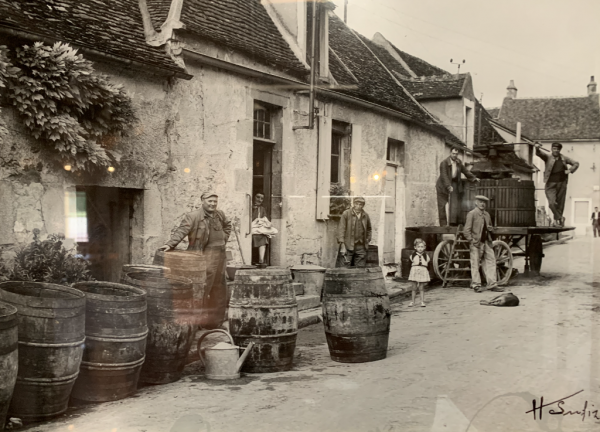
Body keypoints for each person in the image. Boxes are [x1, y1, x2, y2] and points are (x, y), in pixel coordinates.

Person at [158, 191, 232, 330]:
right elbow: (181, 231)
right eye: (210, 201)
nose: (213, 204)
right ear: (202, 201)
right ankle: (199, 322)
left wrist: (223, 238)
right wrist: (170, 244)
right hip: (202, 256)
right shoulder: (193, 216)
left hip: (220, 255)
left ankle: (216, 322)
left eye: (215, 201)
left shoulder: (220, 215)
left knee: (220, 288)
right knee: (202, 288)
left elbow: (228, 226)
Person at [535, 142, 579, 227]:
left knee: (560, 204)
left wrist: (569, 170)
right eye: (554, 149)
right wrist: (537, 148)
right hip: (550, 184)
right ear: (551, 149)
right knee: (551, 203)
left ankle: (556, 221)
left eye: (558, 149)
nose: (556, 151)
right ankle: (560, 218)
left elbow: (576, 163)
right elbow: (540, 154)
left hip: (562, 183)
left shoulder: (564, 158)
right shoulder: (548, 157)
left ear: (560, 150)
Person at [464, 195, 501, 293]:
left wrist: (490, 229)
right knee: (475, 263)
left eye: (484, 202)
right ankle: (476, 285)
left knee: (491, 262)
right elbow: (466, 230)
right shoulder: (471, 214)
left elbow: (489, 228)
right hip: (476, 243)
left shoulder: (487, 215)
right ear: (476, 202)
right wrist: (472, 241)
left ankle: (492, 284)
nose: (482, 204)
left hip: (486, 242)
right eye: (480, 201)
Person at [436, 147, 480, 226]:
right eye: (453, 153)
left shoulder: (458, 162)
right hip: (442, 186)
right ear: (450, 153)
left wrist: (473, 178)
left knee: (454, 204)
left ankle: (453, 224)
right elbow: (444, 176)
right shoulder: (444, 163)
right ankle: (443, 226)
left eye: (456, 154)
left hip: (453, 184)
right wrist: (448, 186)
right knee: (442, 206)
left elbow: (465, 171)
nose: (455, 155)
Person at [337, 196, 372, 268]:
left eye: (361, 204)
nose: (358, 206)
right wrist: (342, 246)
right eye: (356, 204)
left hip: (361, 246)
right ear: (353, 204)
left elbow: (369, 229)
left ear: (363, 206)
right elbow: (341, 230)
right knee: (344, 268)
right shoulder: (346, 214)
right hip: (348, 245)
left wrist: (367, 240)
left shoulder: (366, 215)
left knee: (360, 269)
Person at [251, 192, 274, 268]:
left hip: (258, 228)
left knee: (263, 237)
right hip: (250, 228)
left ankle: (261, 261)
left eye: (261, 198)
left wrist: (264, 223)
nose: (259, 200)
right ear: (254, 197)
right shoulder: (249, 207)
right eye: (258, 197)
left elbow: (265, 219)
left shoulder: (262, 209)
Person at [407, 238, 430, 307]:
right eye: (418, 247)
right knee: (414, 287)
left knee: (421, 287)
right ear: (415, 247)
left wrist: (426, 272)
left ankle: (422, 301)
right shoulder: (412, 256)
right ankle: (412, 301)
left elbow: (428, 265)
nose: (420, 248)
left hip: (423, 271)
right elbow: (409, 265)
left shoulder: (426, 256)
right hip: (414, 271)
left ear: (424, 247)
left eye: (422, 247)